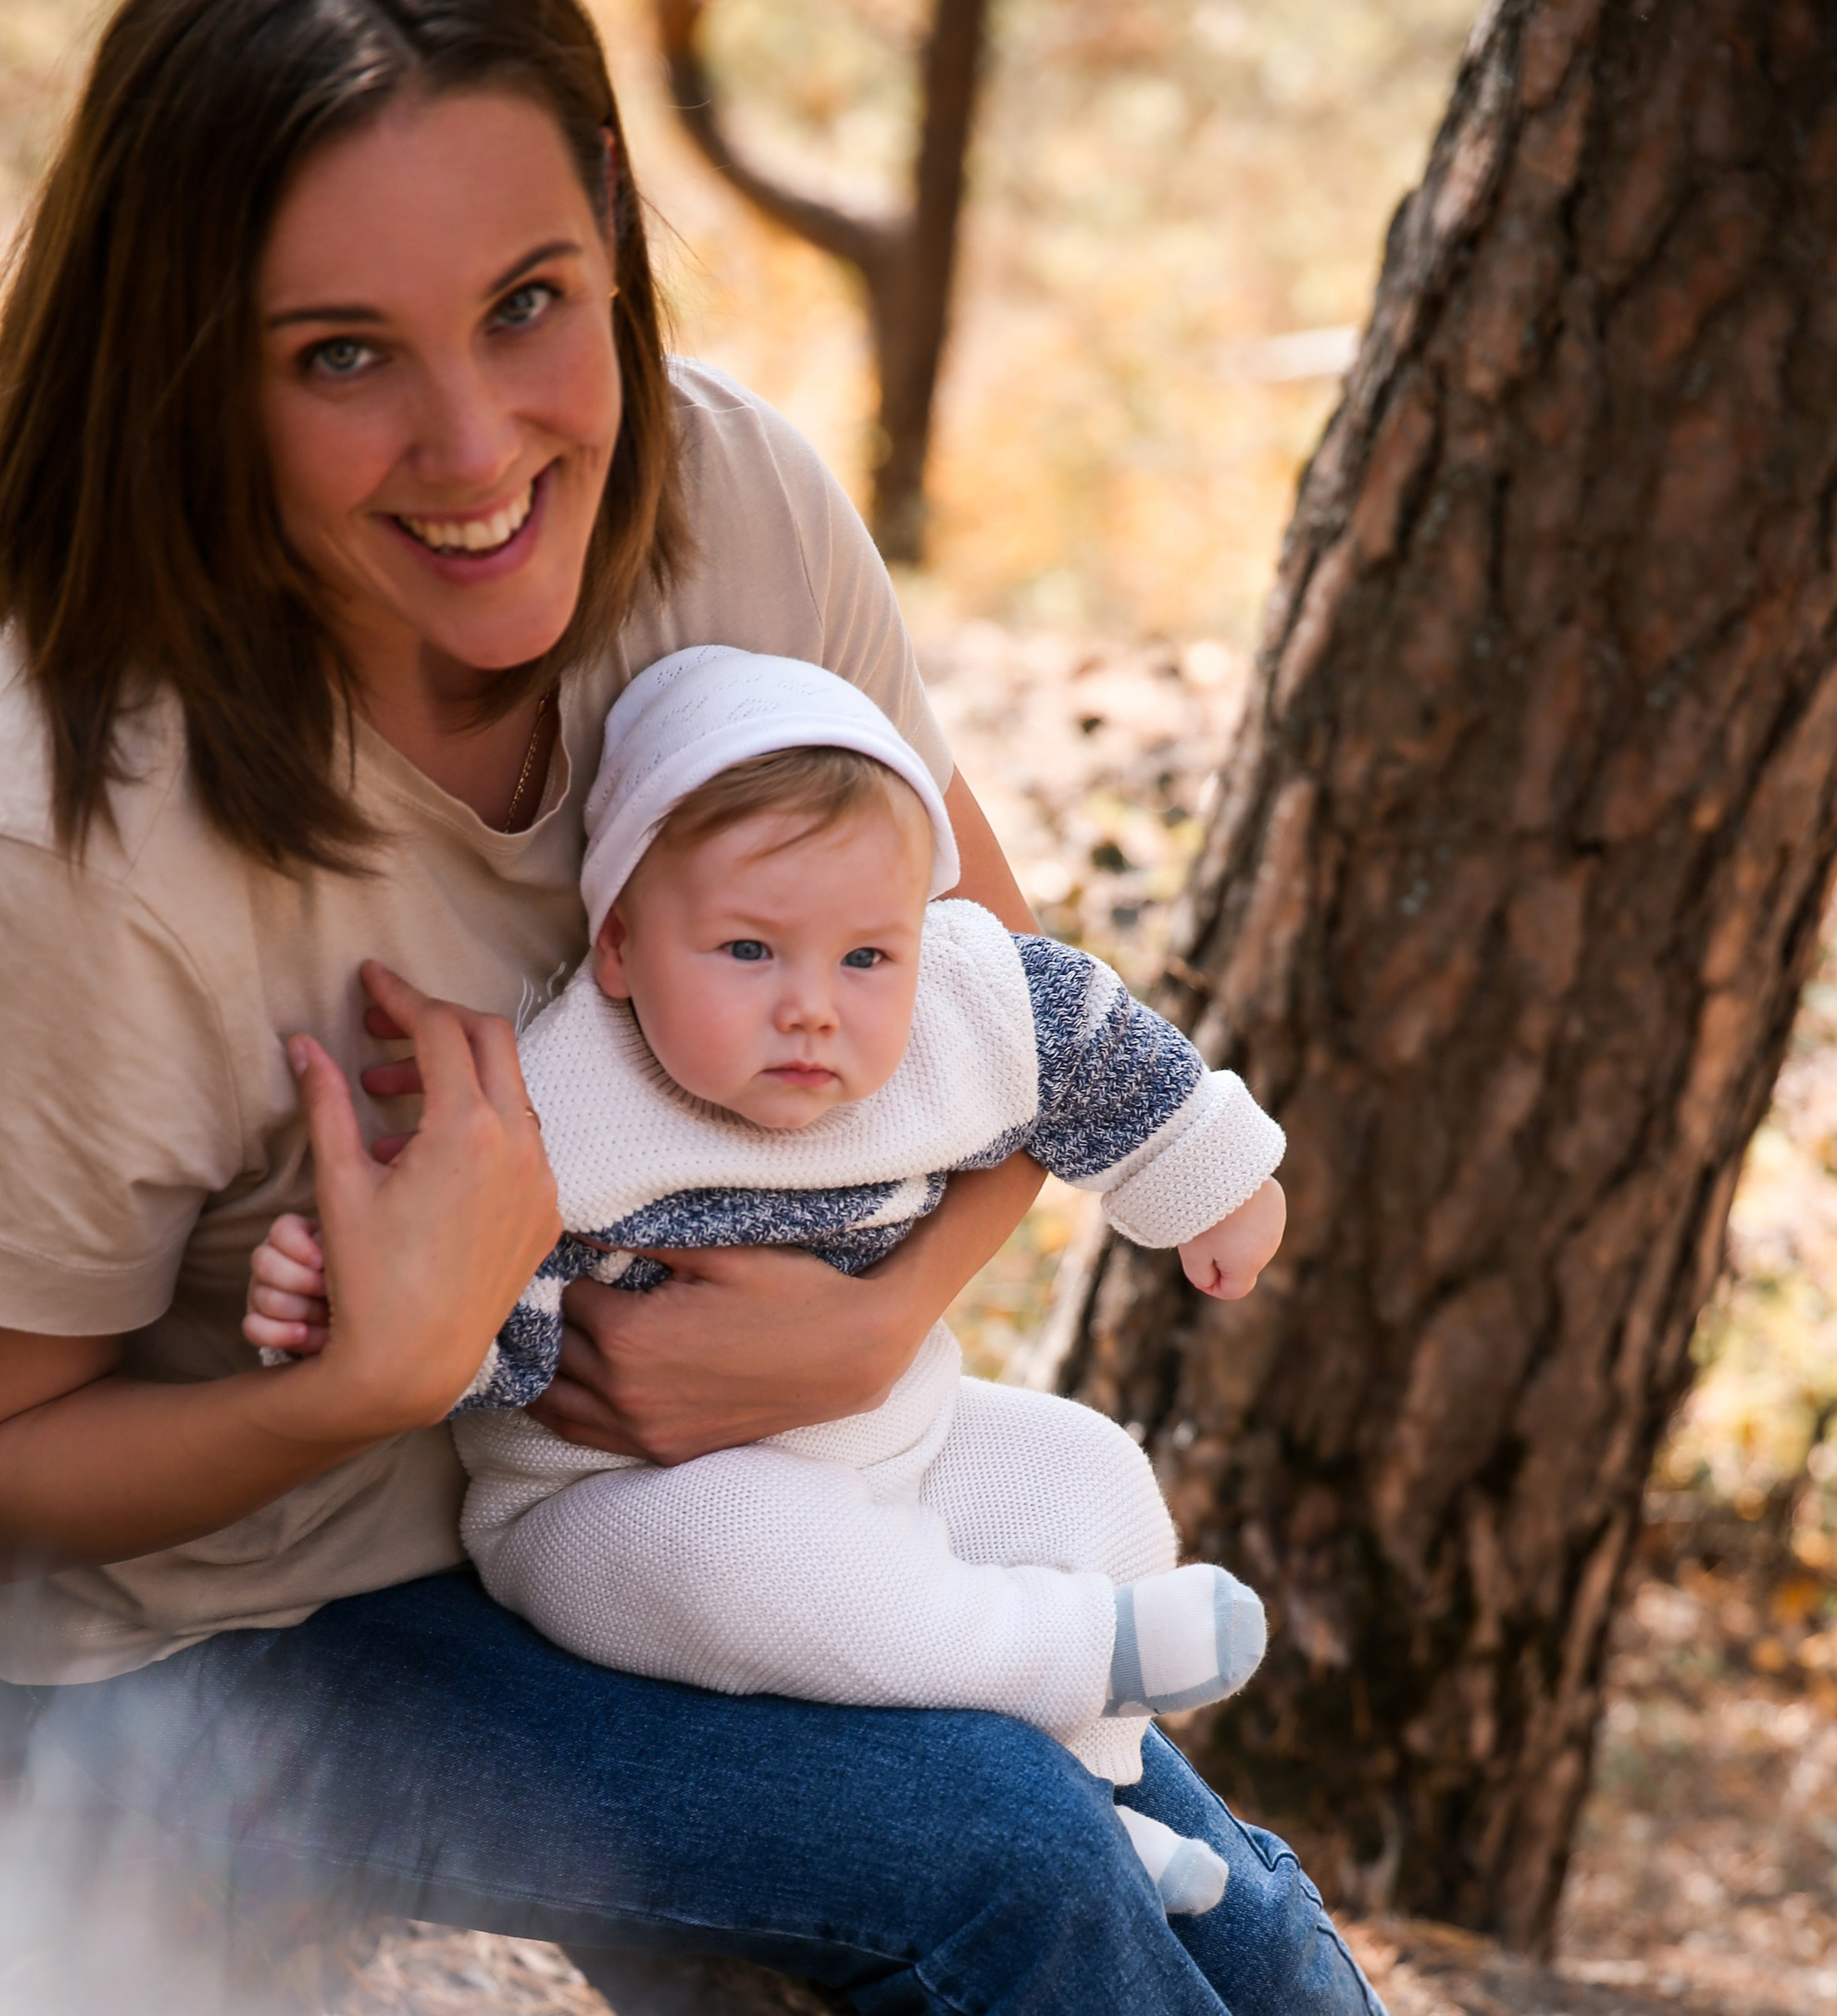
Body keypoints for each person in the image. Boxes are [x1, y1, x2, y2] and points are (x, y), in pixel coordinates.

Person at [0, 0, 1837, 2016]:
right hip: (244, 1625)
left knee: (1145, 1791)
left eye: (541, 305)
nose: (483, 442)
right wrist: (380, 1382)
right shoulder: (62, 823)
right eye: (340, 353)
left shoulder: (730, 500)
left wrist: (854, 1327)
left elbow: (977, 988)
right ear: (183, 363)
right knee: (993, 1850)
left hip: (696, 1486)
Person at [243, 644, 1283, 1916]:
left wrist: (1209, 1178)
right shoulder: (569, 1104)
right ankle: (1071, 1659)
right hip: (623, 1508)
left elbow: (1080, 1041)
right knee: (747, 1559)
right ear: (620, 946)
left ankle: (1099, 1800)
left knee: (1089, 1476)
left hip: (896, 1440)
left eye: (866, 958)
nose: (814, 1009)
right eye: (747, 950)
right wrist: (337, 1299)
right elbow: (480, 1332)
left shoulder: (955, 1009)